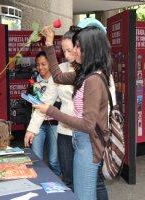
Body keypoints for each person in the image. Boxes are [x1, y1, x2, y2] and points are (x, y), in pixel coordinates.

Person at [33, 23, 113, 200]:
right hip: (82, 142)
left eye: (77, 46)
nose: (74, 51)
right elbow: (59, 76)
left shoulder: (93, 80)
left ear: (89, 50)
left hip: (87, 144)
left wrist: (51, 111)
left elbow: (87, 125)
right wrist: (49, 44)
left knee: (83, 196)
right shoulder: (86, 74)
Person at [25, 30, 76, 189]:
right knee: (67, 177)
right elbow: (45, 101)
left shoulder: (93, 70)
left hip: (87, 134)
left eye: (70, 50)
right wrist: (31, 129)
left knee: (92, 181)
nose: (66, 55)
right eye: (63, 51)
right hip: (65, 131)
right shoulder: (59, 70)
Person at [25, 51, 61, 176]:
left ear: (50, 63)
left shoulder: (58, 79)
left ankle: (57, 185)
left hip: (54, 124)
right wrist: (32, 102)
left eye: (43, 64)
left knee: (54, 160)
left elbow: (62, 104)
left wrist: (49, 106)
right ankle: (39, 182)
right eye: (38, 64)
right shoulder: (33, 81)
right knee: (36, 158)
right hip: (37, 125)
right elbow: (27, 102)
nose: (40, 67)